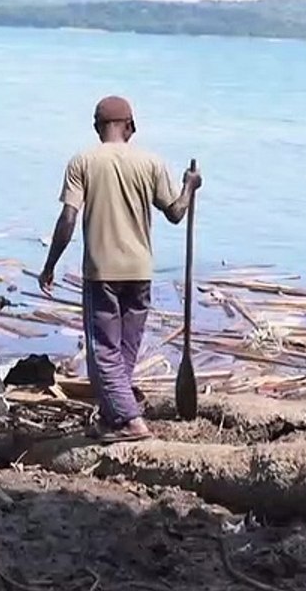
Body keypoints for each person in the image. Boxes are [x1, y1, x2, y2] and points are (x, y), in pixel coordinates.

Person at [38, 95, 201, 442]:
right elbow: (175, 212)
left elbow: (69, 217)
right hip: (141, 272)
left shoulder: (83, 161)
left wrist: (50, 265)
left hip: (103, 273)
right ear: (130, 127)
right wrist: (190, 185)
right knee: (124, 351)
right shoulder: (151, 162)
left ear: (98, 128)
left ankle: (131, 421)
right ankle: (112, 420)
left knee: (103, 352)